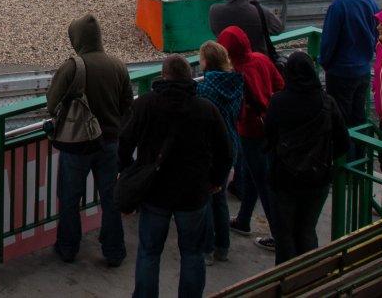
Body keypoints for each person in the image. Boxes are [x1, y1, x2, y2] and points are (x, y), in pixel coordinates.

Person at [118, 54, 231, 297]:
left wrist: (130, 172)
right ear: (189, 77)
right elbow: (226, 151)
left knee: (149, 252)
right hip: (193, 193)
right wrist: (215, 181)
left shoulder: (145, 104)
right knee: (192, 253)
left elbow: (124, 144)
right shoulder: (206, 109)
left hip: (155, 191)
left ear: (163, 75)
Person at [46, 15, 134, 267]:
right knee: (110, 199)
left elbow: (52, 105)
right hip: (111, 143)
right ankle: (114, 250)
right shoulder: (118, 65)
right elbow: (127, 105)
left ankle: (68, 248)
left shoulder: (72, 67)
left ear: (77, 39)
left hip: (77, 144)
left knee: (70, 198)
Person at [263, 52, 349, 263]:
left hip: (284, 178)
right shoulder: (327, 102)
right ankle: (311, 274)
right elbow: (343, 142)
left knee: (285, 234)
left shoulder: (278, 102)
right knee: (307, 230)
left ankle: (286, 277)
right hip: (317, 178)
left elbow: (269, 138)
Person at [221, 26, 284, 249]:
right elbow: (280, 85)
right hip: (270, 126)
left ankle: (278, 235)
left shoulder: (235, 73)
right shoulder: (261, 58)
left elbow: (238, 110)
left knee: (263, 181)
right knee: (252, 176)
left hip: (250, 132)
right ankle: (244, 219)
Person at [196, 40, 245, 265]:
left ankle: (206, 249)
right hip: (231, 145)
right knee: (220, 197)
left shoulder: (204, 89)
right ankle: (223, 247)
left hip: (209, 149)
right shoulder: (237, 83)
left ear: (207, 62)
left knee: (205, 199)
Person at [319, 0, 379, 126]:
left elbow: (329, 40)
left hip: (340, 72)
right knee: (359, 116)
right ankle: (360, 143)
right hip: (364, 70)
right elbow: (377, 34)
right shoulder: (371, 2)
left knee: (340, 119)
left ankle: (345, 144)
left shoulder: (339, 5)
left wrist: (324, 61)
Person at [209, 0, 283, 60]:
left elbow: (216, 32)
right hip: (255, 62)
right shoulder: (259, 12)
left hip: (228, 62)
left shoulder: (214, 10)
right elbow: (278, 28)